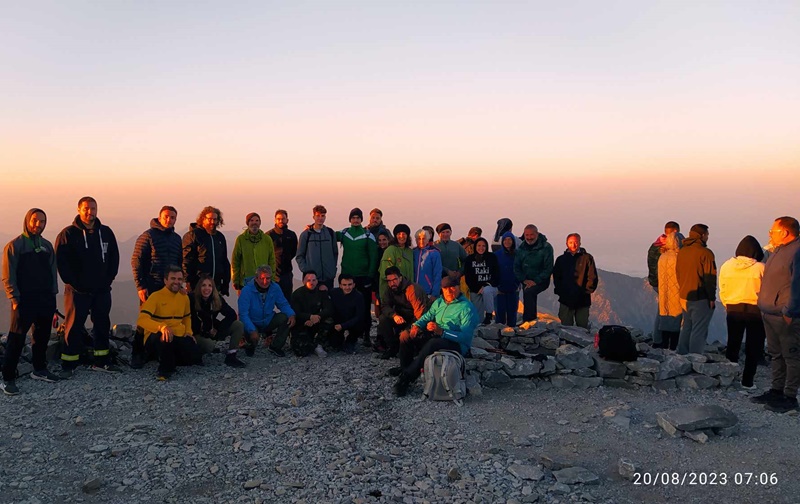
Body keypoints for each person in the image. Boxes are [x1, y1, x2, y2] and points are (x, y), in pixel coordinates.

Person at [55, 196, 121, 377]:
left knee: (102, 324)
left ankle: (102, 361)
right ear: (78, 210)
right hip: (77, 291)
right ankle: (69, 364)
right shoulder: (68, 234)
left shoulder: (106, 232)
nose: (90, 212)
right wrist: (74, 283)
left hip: (101, 290)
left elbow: (114, 257)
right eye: (86, 208)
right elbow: (61, 262)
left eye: (93, 208)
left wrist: (108, 279)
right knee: (73, 326)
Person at [2, 209, 60, 395]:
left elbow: (52, 272)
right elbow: (7, 275)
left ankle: (39, 369)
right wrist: (14, 298)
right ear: (27, 221)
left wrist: (53, 295)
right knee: (16, 338)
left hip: (45, 299)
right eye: (35, 220)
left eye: (42, 221)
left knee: (41, 336)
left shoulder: (47, 246)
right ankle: (7, 378)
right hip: (23, 300)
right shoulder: (15, 246)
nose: (38, 224)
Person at [391, 274, 479, 397]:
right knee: (406, 335)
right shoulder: (439, 302)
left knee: (433, 343)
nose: (449, 291)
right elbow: (427, 316)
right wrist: (416, 325)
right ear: (442, 289)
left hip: (456, 344)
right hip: (437, 335)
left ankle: (406, 378)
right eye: (445, 288)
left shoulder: (467, 308)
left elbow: (465, 337)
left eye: (452, 287)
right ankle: (406, 369)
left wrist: (442, 332)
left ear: (459, 287)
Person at [753, 217, 800, 412]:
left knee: (791, 355)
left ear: (786, 232)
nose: (770, 234)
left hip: (784, 315)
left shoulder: (796, 251)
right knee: (776, 353)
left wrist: (790, 311)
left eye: (773, 231)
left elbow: (797, 284)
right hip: (769, 312)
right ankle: (776, 390)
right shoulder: (778, 250)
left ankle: (789, 396)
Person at [136, 265, 202, 380]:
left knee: (195, 358)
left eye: (179, 279)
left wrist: (188, 332)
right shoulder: (155, 297)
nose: (176, 282)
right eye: (173, 279)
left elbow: (187, 317)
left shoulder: (184, 298)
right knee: (165, 337)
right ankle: (164, 371)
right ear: (165, 280)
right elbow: (142, 319)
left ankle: (167, 358)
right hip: (156, 336)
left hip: (177, 334)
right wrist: (161, 327)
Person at [719, 235, 766, 389]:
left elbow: (722, 287)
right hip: (755, 309)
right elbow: (766, 290)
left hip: (733, 308)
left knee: (733, 343)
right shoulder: (760, 267)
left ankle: (728, 377)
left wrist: (727, 304)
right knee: (754, 346)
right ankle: (747, 381)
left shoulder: (727, 266)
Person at [336, 207, 378, 345]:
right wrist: (310, 227)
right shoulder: (344, 233)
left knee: (364, 305)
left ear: (361, 220)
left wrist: (370, 275)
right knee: (344, 304)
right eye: (353, 218)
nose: (355, 220)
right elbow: (328, 234)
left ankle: (365, 334)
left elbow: (374, 256)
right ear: (350, 219)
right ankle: (343, 332)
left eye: (358, 218)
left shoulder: (367, 235)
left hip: (362, 276)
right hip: (347, 276)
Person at [676, 224, 717, 355]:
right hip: (700, 297)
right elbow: (710, 278)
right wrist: (712, 298)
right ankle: (695, 357)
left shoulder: (683, 251)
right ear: (702, 235)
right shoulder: (706, 253)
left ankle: (682, 354)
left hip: (684, 295)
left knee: (687, 326)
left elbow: (678, 273)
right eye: (707, 235)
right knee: (699, 328)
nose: (708, 237)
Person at [237, 265, 295, 357]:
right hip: (253, 321)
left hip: (268, 320)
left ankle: (275, 346)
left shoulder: (275, 288)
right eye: (262, 278)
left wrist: (291, 314)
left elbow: (283, 304)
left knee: (285, 317)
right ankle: (250, 345)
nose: (265, 281)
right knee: (248, 329)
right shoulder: (246, 291)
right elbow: (243, 314)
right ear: (256, 278)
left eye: (268, 278)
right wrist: (252, 330)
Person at [190, 274, 246, 368]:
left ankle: (231, 355)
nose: (206, 288)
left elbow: (231, 314)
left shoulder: (217, 299)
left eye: (210, 285)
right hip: (196, 333)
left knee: (238, 325)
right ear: (199, 287)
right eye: (203, 285)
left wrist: (219, 330)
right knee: (209, 345)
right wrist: (205, 331)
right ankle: (196, 355)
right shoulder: (191, 299)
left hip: (213, 330)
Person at [131, 206, 182, 304]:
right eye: (166, 217)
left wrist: (180, 283)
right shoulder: (148, 236)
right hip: (151, 286)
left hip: (171, 287)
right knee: (150, 317)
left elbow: (179, 263)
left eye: (172, 218)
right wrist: (140, 286)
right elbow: (136, 261)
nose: (169, 220)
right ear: (159, 218)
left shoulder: (177, 239)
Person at [377, 266, 429, 359]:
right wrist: (394, 315)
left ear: (400, 278)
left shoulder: (413, 289)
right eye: (389, 281)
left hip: (415, 318)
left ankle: (411, 348)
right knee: (383, 319)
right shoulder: (389, 289)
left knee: (407, 334)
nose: (392, 283)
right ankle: (393, 347)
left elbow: (420, 314)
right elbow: (385, 306)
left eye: (394, 279)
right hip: (400, 317)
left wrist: (411, 328)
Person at [552, 233, 598, 329]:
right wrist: (561, 292)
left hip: (583, 299)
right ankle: (567, 344)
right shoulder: (561, 260)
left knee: (582, 327)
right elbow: (557, 278)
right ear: (566, 243)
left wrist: (586, 291)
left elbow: (592, 277)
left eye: (576, 242)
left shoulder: (587, 258)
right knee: (566, 328)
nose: (573, 245)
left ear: (580, 243)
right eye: (571, 242)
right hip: (565, 299)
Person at [182, 206, 230, 295]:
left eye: (215, 219)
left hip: (216, 285)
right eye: (210, 219)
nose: (212, 222)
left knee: (215, 308)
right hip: (197, 284)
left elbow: (224, 261)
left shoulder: (220, 237)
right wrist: (187, 281)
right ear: (203, 219)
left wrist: (225, 284)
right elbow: (186, 259)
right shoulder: (193, 235)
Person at [648, 221, 681, 347]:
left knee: (662, 309)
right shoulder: (668, 249)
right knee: (668, 311)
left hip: (656, 282)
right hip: (666, 283)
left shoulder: (655, 246)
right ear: (675, 232)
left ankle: (658, 340)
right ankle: (664, 341)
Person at [513, 224, 554, 322]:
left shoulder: (546, 247)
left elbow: (548, 268)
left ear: (537, 234)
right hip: (526, 280)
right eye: (527, 235)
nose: (529, 237)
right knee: (528, 293)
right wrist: (524, 280)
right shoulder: (522, 248)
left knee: (529, 292)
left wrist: (535, 281)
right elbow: (516, 267)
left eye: (531, 235)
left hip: (541, 280)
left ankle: (529, 321)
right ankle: (530, 320)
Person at [291, 271, 334, 357]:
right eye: (308, 280)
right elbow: (296, 312)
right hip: (302, 323)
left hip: (316, 322)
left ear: (317, 281)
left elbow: (328, 309)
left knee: (329, 320)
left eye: (314, 280)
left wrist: (318, 316)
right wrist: (308, 317)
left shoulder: (321, 292)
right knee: (301, 352)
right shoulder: (297, 294)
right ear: (303, 281)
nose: (311, 282)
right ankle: (311, 344)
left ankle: (319, 343)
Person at [231, 212, 276, 295]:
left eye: (257, 220)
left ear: (260, 223)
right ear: (247, 223)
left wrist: (271, 278)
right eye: (251, 220)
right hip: (245, 282)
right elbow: (235, 261)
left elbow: (272, 260)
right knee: (246, 306)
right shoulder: (241, 239)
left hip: (263, 281)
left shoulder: (267, 239)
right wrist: (235, 280)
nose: (254, 223)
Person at [296, 205, 338, 290]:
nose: (320, 218)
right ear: (313, 217)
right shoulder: (306, 235)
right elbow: (299, 256)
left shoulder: (330, 233)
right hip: (311, 279)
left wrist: (333, 270)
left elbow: (335, 253)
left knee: (328, 302)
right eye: (318, 216)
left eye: (322, 216)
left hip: (328, 277)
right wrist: (307, 271)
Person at [656, 232, 684, 350]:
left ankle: (663, 346)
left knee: (665, 316)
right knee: (676, 320)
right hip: (677, 292)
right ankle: (673, 347)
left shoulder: (662, 257)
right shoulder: (679, 258)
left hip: (664, 293)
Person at [463, 237, 500, 325]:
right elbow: (468, 277)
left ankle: (489, 315)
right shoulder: (470, 259)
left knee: (486, 291)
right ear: (475, 246)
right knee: (478, 319)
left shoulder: (492, 257)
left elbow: (496, 274)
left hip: (490, 287)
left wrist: (486, 284)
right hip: (476, 289)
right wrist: (476, 288)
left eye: (483, 246)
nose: (481, 248)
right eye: (479, 245)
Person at [267, 209, 298, 302]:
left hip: (287, 273)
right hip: (273, 274)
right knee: (269, 301)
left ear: (287, 220)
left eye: (283, 219)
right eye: (279, 219)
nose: (281, 221)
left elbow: (294, 251)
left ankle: (287, 317)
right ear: (275, 220)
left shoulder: (291, 235)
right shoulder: (269, 235)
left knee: (287, 300)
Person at [329, 273, 365, 354]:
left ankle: (351, 341)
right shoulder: (333, 293)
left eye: (350, 284)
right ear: (340, 285)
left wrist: (343, 326)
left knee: (361, 323)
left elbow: (359, 316)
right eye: (344, 285)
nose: (347, 287)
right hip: (337, 322)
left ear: (354, 285)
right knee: (335, 344)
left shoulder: (358, 296)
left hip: (352, 322)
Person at [378, 224, 413, 301]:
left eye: (404, 234)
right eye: (399, 234)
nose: (401, 236)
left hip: (408, 292)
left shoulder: (410, 252)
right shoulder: (390, 250)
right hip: (392, 292)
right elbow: (385, 273)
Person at [494, 231, 520, 326]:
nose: (507, 242)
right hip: (499, 290)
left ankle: (511, 336)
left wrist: (517, 284)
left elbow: (520, 270)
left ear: (513, 241)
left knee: (512, 313)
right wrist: (496, 286)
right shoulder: (496, 255)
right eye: (505, 239)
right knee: (499, 314)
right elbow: (493, 272)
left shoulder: (517, 255)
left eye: (509, 239)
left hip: (513, 289)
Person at [413, 228, 442, 300]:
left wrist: (435, 293)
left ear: (428, 239)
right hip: (413, 291)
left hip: (428, 291)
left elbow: (437, 274)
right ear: (416, 240)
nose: (421, 241)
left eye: (424, 238)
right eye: (419, 239)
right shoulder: (413, 252)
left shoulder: (434, 253)